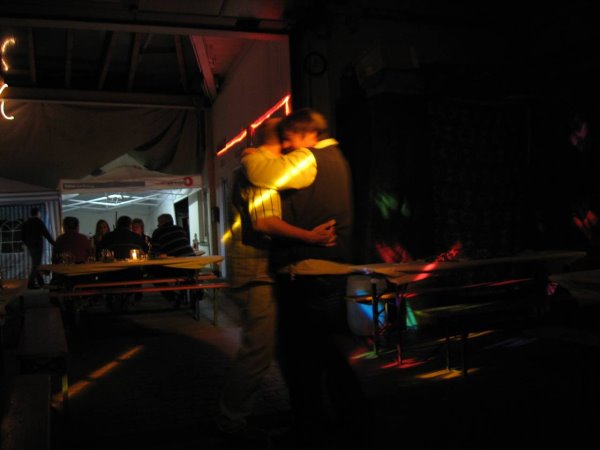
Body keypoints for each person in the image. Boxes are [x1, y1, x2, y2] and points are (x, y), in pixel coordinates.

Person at [243, 108, 369, 448]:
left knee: (303, 358)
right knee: (329, 351)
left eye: (289, 139)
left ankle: (312, 428)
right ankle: (350, 422)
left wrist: (251, 154)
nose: (287, 147)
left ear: (305, 134)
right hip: (330, 271)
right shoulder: (338, 158)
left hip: (307, 272)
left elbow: (262, 174)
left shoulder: (310, 158)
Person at [216, 118, 336, 443]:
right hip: (256, 273)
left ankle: (292, 411)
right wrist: (311, 237)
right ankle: (231, 420)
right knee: (257, 351)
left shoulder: (248, 168)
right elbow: (266, 222)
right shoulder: (262, 173)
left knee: (269, 347)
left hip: (250, 272)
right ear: (282, 142)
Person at [20, 206, 55, 289]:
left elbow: (22, 236)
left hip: (30, 246)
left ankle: (40, 282)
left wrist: (27, 244)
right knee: (36, 265)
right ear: (38, 213)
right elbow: (46, 233)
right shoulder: (38, 221)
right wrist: (54, 243)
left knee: (36, 264)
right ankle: (31, 283)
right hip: (38, 245)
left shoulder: (26, 223)